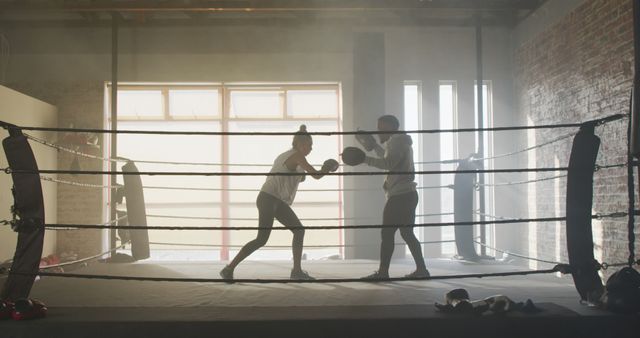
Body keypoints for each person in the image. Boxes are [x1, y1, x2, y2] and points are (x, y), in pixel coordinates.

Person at [220, 125, 339, 281]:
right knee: (261, 239)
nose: (310, 148)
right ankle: (228, 269)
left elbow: (301, 177)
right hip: (269, 198)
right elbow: (315, 176)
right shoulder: (297, 156)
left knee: (299, 230)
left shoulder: (288, 156)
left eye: (311, 146)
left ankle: (296, 271)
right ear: (298, 145)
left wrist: (303, 131)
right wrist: (326, 168)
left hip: (275, 199)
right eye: (307, 145)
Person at [357, 115, 429, 280]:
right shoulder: (399, 141)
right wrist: (375, 146)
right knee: (407, 233)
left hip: (400, 196)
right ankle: (422, 269)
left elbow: (388, 164)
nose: (378, 132)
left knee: (387, 234)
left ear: (389, 128)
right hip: (408, 194)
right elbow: (389, 157)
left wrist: (364, 159)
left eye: (381, 129)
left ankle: (383, 273)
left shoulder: (396, 142)